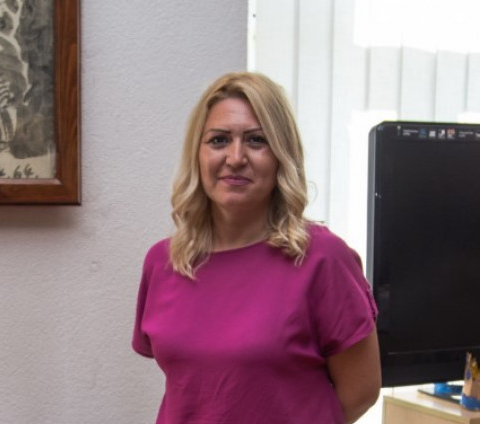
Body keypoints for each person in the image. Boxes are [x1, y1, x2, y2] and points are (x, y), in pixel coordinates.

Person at [132, 72, 381, 423]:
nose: (236, 157)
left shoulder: (323, 258)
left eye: (256, 140)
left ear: (281, 154)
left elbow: (361, 391)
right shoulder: (163, 261)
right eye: (219, 140)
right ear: (197, 154)